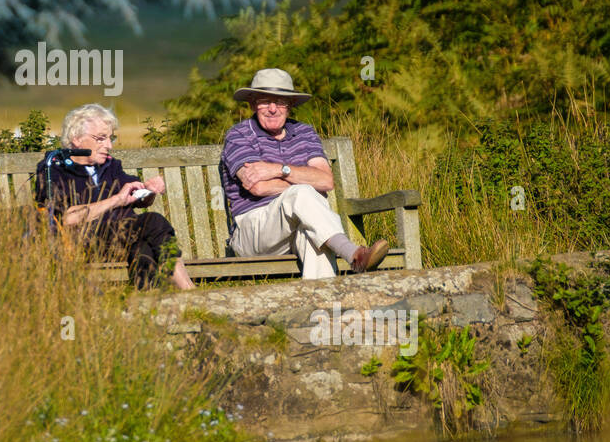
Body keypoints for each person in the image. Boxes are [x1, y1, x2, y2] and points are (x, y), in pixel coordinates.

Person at [219, 68, 390, 279]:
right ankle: (352, 252)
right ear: (253, 103)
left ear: (290, 105)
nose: (273, 109)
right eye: (265, 101)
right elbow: (257, 186)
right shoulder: (239, 135)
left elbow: (326, 180)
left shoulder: (304, 133)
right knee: (303, 194)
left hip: (295, 230)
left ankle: (323, 306)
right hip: (253, 232)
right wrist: (305, 182)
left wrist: (277, 169)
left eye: (280, 102)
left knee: (313, 235)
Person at [35, 103, 196, 291]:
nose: (109, 146)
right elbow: (66, 218)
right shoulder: (54, 169)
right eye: (101, 139)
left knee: (142, 247)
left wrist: (149, 191)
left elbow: (135, 195)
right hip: (86, 244)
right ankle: (189, 292)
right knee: (154, 221)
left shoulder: (110, 166)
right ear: (77, 139)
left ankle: (146, 303)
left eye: (111, 138)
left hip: (123, 239)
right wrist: (116, 200)